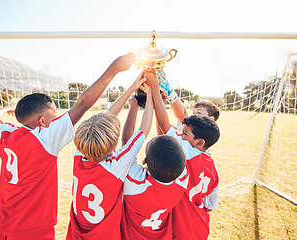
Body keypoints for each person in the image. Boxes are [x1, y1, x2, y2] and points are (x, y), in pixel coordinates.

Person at [0, 53, 135, 240]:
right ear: (41, 121)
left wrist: (7, 110)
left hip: (1, 226)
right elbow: (83, 103)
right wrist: (115, 69)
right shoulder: (45, 138)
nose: (57, 118)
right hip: (32, 231)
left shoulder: (5, 133)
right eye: (54, 114)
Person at [66, 72, 154, 240]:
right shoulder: (117, 165)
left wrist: (131, 89)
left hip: (77, 235)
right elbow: (144, 129)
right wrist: (150, 94)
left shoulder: (80, 155)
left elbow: (108, 118)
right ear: (114, 145)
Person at [145, 70, 220, 240]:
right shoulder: (213, 167)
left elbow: (165, 126)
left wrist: (156, 90)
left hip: (179, 226)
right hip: (198, 226)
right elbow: (209, 206)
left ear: (199, 141)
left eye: (184, 134)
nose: (182, 135)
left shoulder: (188, 150)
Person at [120, 96, 188, 240]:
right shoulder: (182, 180)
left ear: (144, 161)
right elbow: (166, 146)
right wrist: (159, 104)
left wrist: (133, 107)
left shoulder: (135, 184)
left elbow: (127, 145)